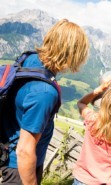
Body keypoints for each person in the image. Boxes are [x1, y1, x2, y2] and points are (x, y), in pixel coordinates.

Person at [0, 19, 89, 184]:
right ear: (74, 54)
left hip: (6, 147)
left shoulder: (30, 60)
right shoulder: (45, 92)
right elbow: (24, 151)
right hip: (20, 169)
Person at [72, 81, 111, 185]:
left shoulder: (92, 119)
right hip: (108, 182)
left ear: (104, 103)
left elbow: (81, 103)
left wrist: (99, 89)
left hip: (83, 179)